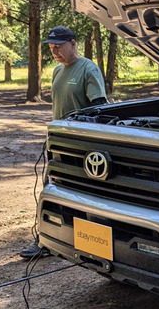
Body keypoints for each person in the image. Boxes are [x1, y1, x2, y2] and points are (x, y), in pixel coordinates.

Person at [20, 26, 108, 259]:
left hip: (82, 146)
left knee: (83, 195)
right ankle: (46, 241)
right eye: (51, 48)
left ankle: (92, 244)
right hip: (58, 143)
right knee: (52, 190)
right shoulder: (58, 71)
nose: (55, 51)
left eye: (59, 46)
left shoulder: (88, 69)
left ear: (73, 43)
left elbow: (99, 108)